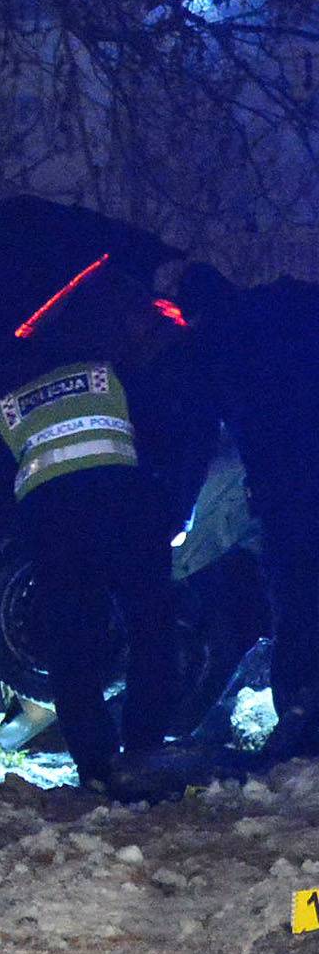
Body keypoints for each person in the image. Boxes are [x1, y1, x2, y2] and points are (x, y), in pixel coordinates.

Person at [0, 257, 178, 796]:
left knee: (71, 642)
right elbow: (163, 437)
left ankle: (94, 766)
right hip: (123, 508)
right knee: (151, 624)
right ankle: (143, 747)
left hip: (51, 524)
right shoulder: (113, 374)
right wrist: (167, 506)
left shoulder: (12, 399)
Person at [169, 261, 319, 759]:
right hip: (291, 487)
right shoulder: (292, 310)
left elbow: (197, 438)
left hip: (288, 495)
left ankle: (302, 727)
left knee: (297, 601)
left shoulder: (217, 348)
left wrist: (179, 513)